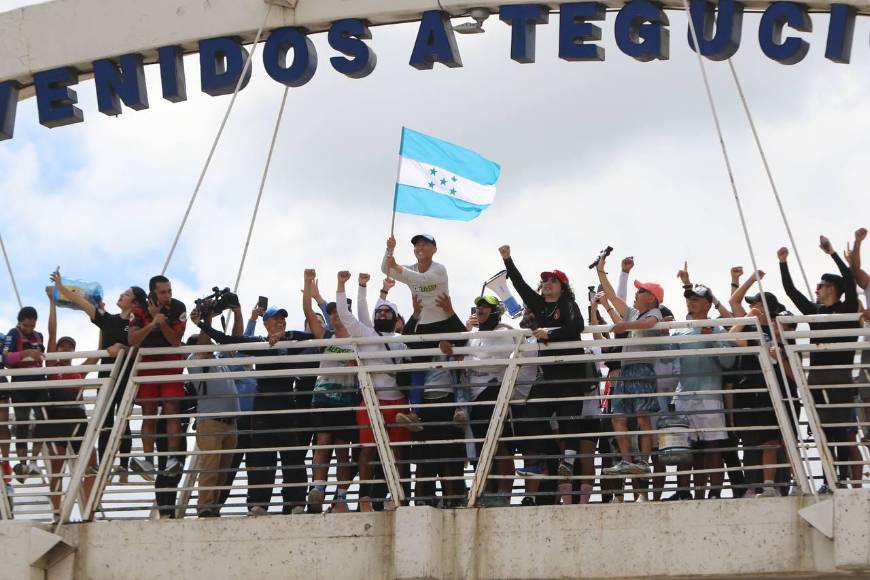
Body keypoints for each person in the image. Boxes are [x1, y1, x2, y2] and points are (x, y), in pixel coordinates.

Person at [197, 299, 313, 515]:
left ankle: (296, 502)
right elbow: (226, 340)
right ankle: (259, 504)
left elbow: (316, 336)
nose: (281, 321)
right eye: (276, 318)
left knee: (293, 457)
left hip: (288, 405)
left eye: (283, 318)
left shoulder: (292, 341)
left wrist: (286, 337)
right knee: (262, 458)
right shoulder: (258, 343)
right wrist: (202, 324)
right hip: (263, 407)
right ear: (266, 322)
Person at [498, 245, 587, 500]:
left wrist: (551, 333)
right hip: (549, 373)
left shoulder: (569, 303)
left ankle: (567, 460)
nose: (547, 283)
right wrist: (507, 259)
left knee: (569, 416)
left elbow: (576, 327)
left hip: (571, 370)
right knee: (532, 413)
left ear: (562, 285)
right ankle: (543, 459)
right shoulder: (537, 304)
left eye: (553, 280)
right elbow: (519, 284)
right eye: (545, 280)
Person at [779, 236, 859, 486]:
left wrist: (832, 254)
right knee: (822, 433)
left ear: (831, 288)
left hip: (841, 377)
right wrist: (783, 263)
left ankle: (843, 478)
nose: (816, 290)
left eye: (820, 285)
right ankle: (828, 480)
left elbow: (849, 280)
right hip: (818, 377)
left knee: (842, 433)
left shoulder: (848, 309)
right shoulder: (815, 312)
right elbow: (792, 292)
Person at [50, 269, 145, 482]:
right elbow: (83, 304)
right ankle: (103, 466)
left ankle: (122, 466)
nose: (121, 295)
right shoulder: (108, 320)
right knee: (105, 421)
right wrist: (62, 288)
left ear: (135, 303)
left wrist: (122, 347)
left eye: (127, 294)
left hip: (126, 377)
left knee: (123, 420)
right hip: (107, 378)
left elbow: (141, 346)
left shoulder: (137, 324)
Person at [335, 270, 414, 511]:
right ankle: (365, 498)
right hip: (371, 402)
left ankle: (399, 496)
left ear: (395, 317)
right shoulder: (366, 333)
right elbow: (346, 314)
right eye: (378, 311)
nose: (381, 314)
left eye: (386, 312)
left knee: (399, 454)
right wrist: (343, 285)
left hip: (399, 401)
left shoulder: (403, 340)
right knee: (367, 452)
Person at [596, 253, 662, 476]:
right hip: (626, 370)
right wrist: (600, 270)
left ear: (651, 298)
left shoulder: (655, 312)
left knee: (643, 417)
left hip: (642, 368)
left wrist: (624, 326)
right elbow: (613, 296)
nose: (637, 293)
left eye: (641, 291)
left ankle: (643, 461)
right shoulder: (634, 312)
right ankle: (626, 461)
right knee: (618, 417)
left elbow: (648, 324)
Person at [669, 284, 736, 500]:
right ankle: (685, 492)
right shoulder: (679, 330)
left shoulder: (719, 329)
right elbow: (668, 362)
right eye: (689, 298)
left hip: (709, 396)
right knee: (686, 447)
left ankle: (714, 492)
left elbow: (729, 362)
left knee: (712, 445)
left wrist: (713, 339)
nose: (691, 302)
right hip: (684, 396)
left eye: (696, 299)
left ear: (708, 303)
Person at [302, 270, 358, 513]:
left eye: (340, 313)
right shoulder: (326, 335)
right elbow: (308, 314)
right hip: (323, 396)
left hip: (346, 397)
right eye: (332, 313)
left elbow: (359, 364)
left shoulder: (357, 339)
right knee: (323, 440)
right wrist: (308, 287)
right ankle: (318, 487)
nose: (336, 317)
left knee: (343, 449)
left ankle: (342, 496)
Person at [39, 287, 97, 520]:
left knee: (91, 465)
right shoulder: (52, 368)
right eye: (62, 346)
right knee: (56, 470)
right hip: (56, 419)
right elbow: (51, 333)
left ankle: (87, 512)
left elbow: (102, 351)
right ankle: (56, 513)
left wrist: (100, 314)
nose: (64, 349)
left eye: (69, 347)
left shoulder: (78, 372)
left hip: (77, 418)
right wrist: (53, 303)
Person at [381, 234, 450, 429]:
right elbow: (385, 268)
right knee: (416, 367)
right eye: (417, 245)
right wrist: (390, 249)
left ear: (434, 249)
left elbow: (424, 278)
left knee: (454, 364)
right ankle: (415, 413)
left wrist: (398, 268)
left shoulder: (439, 269)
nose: (420, 247)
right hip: (422, 325)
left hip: (444, 324)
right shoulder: (410, 269)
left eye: (424, 244)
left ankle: (461, 409)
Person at [127, 275, 187, 480]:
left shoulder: (178, 307)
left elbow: (176, 342)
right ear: (153, 292)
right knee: (149, 411)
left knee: (172, 408)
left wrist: (162, 323)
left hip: (170, 362)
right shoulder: (139, 310)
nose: (168, 295)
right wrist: (153, 322)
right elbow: (133, 340)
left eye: (169, 291)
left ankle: (172, 458)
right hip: (148, 363)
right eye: (163, 292)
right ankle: (148, 460)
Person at [462, 295, 517, 506]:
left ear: (496, 311)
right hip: (474, 397)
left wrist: (465, 359)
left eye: (485, 307)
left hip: (493, 391)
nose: (480, 310)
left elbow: (495, 364)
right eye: (478, 307)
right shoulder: (474, 335)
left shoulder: (502, 333)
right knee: (480, 446)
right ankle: (486, 491)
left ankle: (503, 493)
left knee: (499, 445)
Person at [186, 327, 240, 518]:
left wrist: (237, 312)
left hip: (230, 422)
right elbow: (202, 345)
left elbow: (234, 338)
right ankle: (205, 507)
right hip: (210, 421)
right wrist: (205, 322)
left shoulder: (217, 358)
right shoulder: (194, 360)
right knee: (210, 466)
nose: (210, 342)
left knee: (223, 470)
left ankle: (213, 506)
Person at [3, 305, 46, 481]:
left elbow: (42, 355)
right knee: (22, 422)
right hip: (20, 384)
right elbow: (6, 358)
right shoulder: (12, 334)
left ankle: (34, 461)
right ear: (20, 322)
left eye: (32, 326)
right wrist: (25, 353)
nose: (29, 329)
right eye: (26, 325)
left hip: (38, 382)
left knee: (43, 420)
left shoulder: (39, 336)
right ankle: (22, 463)